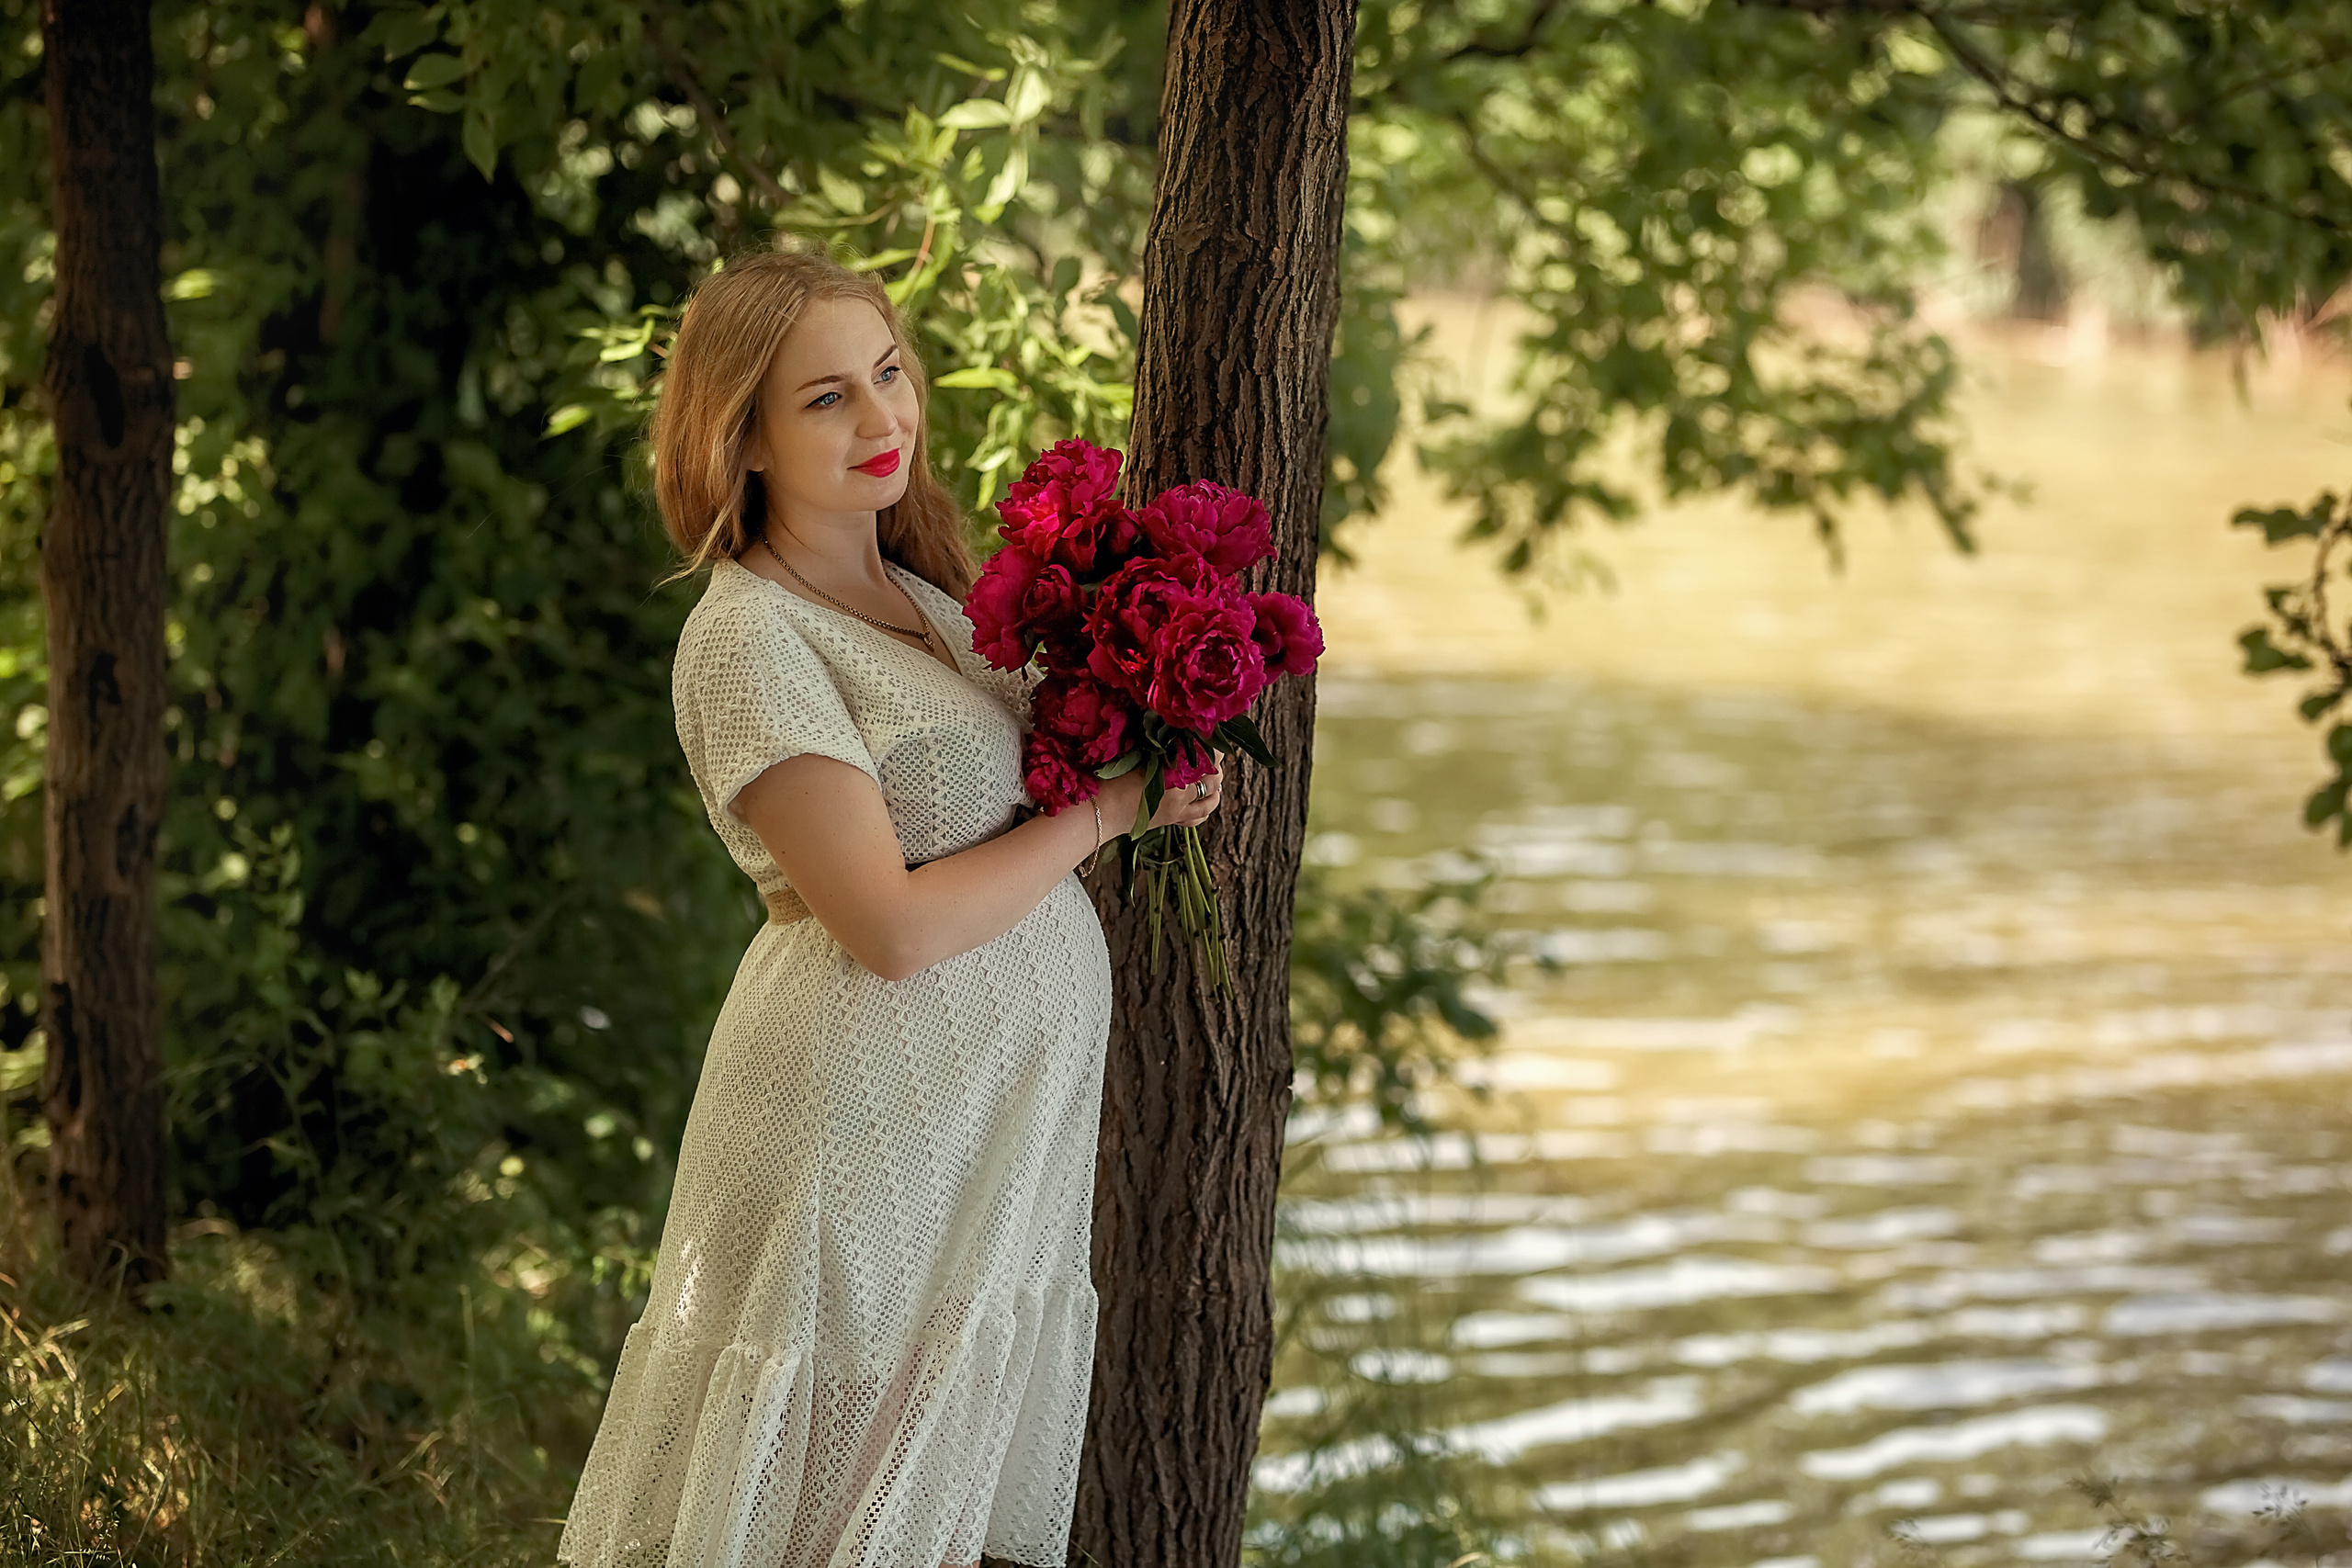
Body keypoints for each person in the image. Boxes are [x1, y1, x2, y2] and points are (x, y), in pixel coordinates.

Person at [556, 246, 1223, 1568]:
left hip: (982, 1121)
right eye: (825, 399)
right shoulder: (749, 638)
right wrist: (1112, 813)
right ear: (738, 436)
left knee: (916, 1507)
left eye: (889, 373)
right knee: (828, 1513)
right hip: (860, 1116)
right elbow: (890, 927)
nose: (882, 420)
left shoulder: (930, 599)